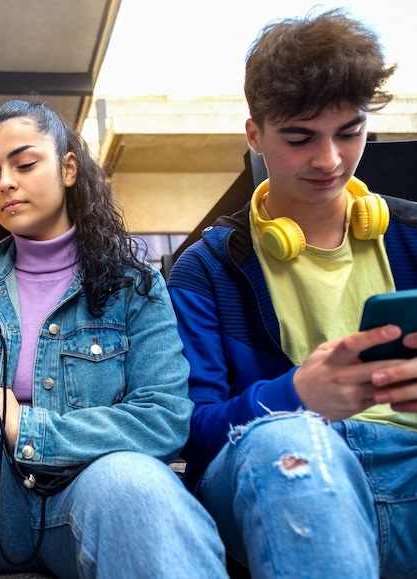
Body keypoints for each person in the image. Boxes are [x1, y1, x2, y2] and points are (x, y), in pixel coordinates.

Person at [0, 100, 227, 578]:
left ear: (69, 168)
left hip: (89, 496)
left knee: (139, 483)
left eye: (24, 163)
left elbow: (162, 420)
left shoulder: (134, 287)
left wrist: (26, 425)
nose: (5, 183)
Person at [167, 9, 417, 578]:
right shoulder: (205, 271)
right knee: (286, 442)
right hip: (285, 465)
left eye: (350, 132)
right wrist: (296, 395)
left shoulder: (413, 238)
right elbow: (191, 438)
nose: (329, 160)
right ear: (254, 134)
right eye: (300, 138)